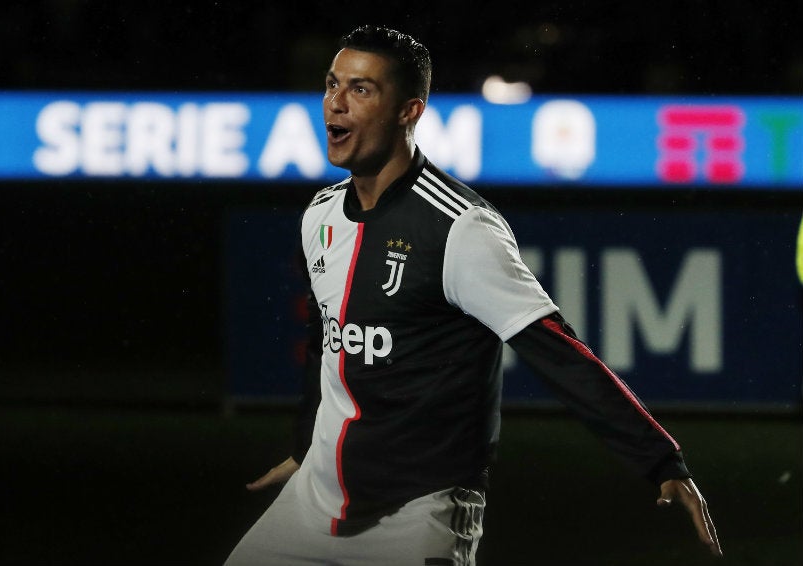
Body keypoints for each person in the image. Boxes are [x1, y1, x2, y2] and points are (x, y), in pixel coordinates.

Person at [225, 25, 722, 566]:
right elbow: (331, 339)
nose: (335, 104)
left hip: (416, 518)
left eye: (361, 89)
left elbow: (560, 355)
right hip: (310, 509)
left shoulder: (460, 230)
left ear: (408, 111)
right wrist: (306, 444)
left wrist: (662, 460)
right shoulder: (319, 213)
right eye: (331, 84)